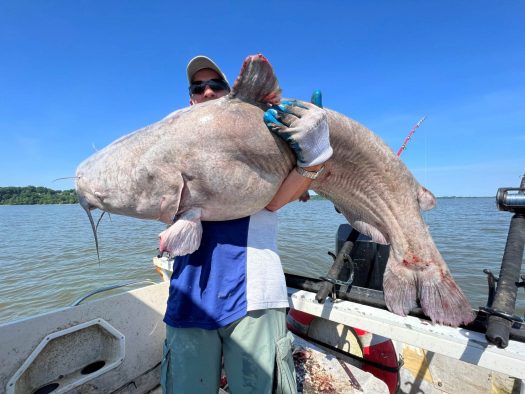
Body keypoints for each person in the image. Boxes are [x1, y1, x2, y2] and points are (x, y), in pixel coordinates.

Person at [161, 55, 332, 394]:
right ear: (190, 99)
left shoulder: (267, 135)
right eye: (198, 87)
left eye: (216, 85)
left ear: (231, 93)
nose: (207, 91)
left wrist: (314, 156)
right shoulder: (171, 147)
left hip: (255, 294)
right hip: (187, 296)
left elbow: (274, 201)